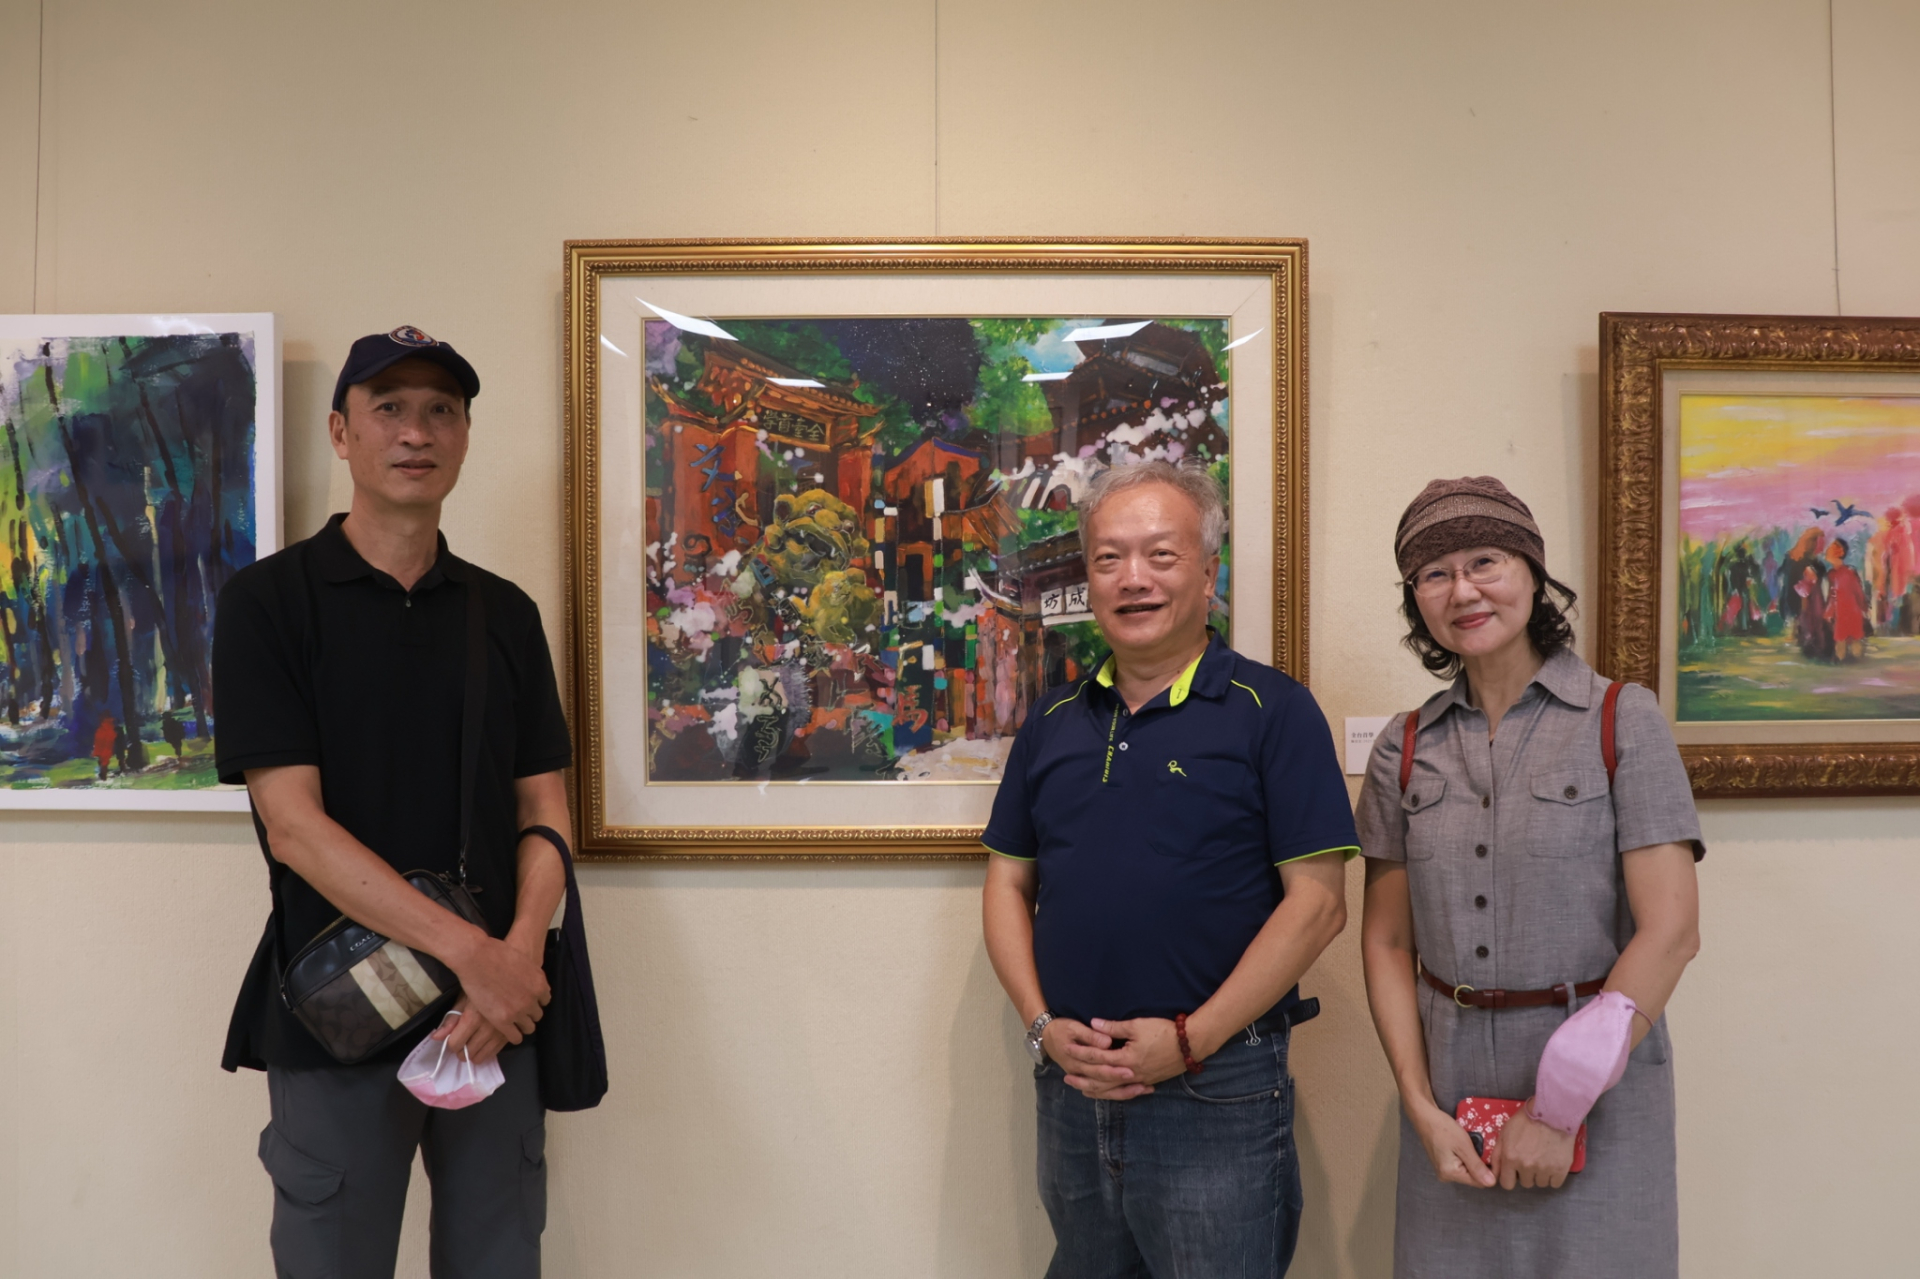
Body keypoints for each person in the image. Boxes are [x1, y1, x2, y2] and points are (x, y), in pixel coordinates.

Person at [213, 327, 574, 1279]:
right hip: (340, 1013)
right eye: (389, 409)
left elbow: (545, 809)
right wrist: (476, 955)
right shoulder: (268, 603)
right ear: (341, 433)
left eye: (441, 411)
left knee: (500, 1262)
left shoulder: (504, 614)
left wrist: (515, 960)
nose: (416, 432)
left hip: (495, 1021)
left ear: (464, 435)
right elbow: (294, 827)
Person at [980, 460, 1355, 1278]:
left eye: (1161, 554)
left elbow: (1320, 904)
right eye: (1109, 558)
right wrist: (1042, 1028)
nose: (1133, 578)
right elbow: (1007, 883)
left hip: (1217, 1087)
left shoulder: (1273, 710)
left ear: (1208, 572)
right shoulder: (1051, 722)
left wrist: (1189, 1040)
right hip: (1074, 1086)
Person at [1355, 476, 1703, 1279]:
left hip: (1603, 1092)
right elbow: (1387, 941)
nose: (1463, 590)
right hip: (1449, 1101)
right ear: (1415, 599)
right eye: (1435, 573)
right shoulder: (1404, 747)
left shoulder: (1623, 719)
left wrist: (1555, 1110)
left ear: (1533, 572)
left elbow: (1672, 930)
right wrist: (1418, 1104)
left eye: (1485, 561)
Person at [1825, 537, 1868, 661]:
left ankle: (1859, 664)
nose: (1827, 551)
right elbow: (1832, 596)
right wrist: (1828, 612)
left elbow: (1859, 593)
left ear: (1840, 552)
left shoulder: (1850, 573)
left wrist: (1864, 608)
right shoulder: (1831, 574)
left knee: (1855, 643)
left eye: (1832, 548)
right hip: (1840, 614)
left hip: (1852, 613)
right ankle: (1842, 664)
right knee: (1840, 643)